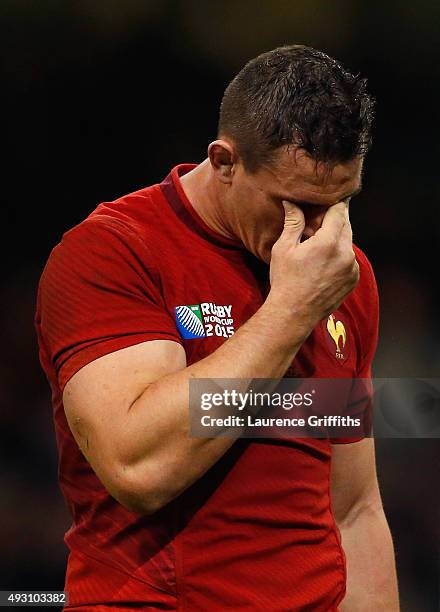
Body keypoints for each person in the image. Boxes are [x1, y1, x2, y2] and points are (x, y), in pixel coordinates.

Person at [35, 45, 399, 611]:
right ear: (225, 162)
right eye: (296, 204)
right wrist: (291, 311)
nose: (320, 232)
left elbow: (354, 508)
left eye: (342, 202)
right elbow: (139, 467)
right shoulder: (114, 251)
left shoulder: (345, 277)